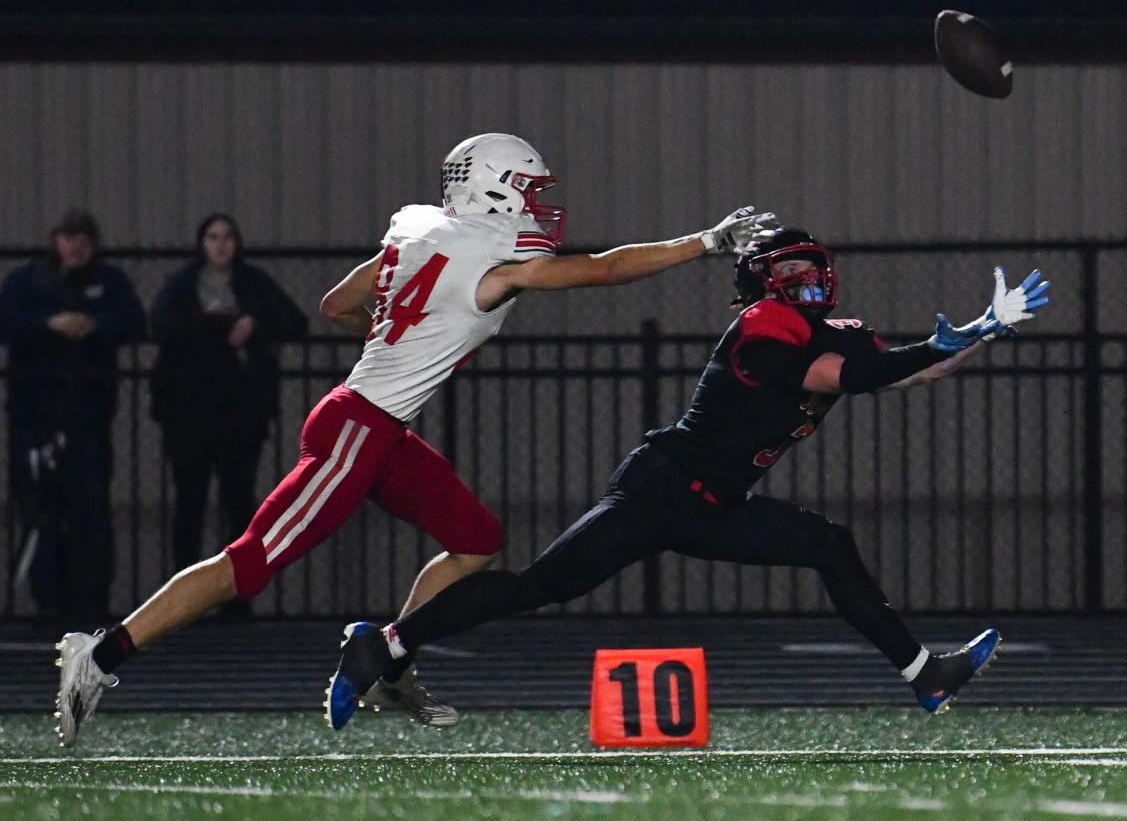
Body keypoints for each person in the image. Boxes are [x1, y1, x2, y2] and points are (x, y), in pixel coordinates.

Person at [52, 132, 774, 746]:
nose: (536, 203)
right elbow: (605, 268)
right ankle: (102, 650)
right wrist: (703, 242)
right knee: (249, 563)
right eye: (525, 188)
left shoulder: (415, 226)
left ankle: (388, 660)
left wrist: (400, 339)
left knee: (478, 539)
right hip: (360, 426)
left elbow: (339, 303)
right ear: (493, 189)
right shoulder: (491, 263)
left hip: (373, 422)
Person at [325, 226, 1052, 728]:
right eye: (787, 272)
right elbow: (850, 375)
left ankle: (924, 673)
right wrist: (943, 339)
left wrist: (985, 329)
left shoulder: (838, 333)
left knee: (828, 543)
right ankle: (386, 644)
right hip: (661, 488)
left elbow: (914, 370)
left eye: (808, 270)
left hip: (717, 503)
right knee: (539, 585)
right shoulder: (764, 323)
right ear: (762, 282)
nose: (802, 283)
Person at [150, 213, 307, 603]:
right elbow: (160, 325)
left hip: (241, 413)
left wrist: (256, 325)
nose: (220, 245)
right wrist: (217, 330)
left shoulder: (253, 283)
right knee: (190, 503)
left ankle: (237, 599)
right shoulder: (183, 285)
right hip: (189, 412)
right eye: (212, 237)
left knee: (239, 504)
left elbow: (295, 321)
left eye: (227, 237)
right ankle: (181, 600)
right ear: (201, 243)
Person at [0, 210, 146, 621]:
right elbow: (8, 320)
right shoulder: (29, 281)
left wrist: (92, 326)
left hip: (89, 414)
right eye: (68, 237)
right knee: (40, 504)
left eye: (83, 238)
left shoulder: (110, 281)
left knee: (90, 506)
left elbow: (133, 321)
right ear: (55, 241)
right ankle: (47, 597)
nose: (75, 246)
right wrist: (50, 326)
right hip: (34, 413)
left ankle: (90, 598)